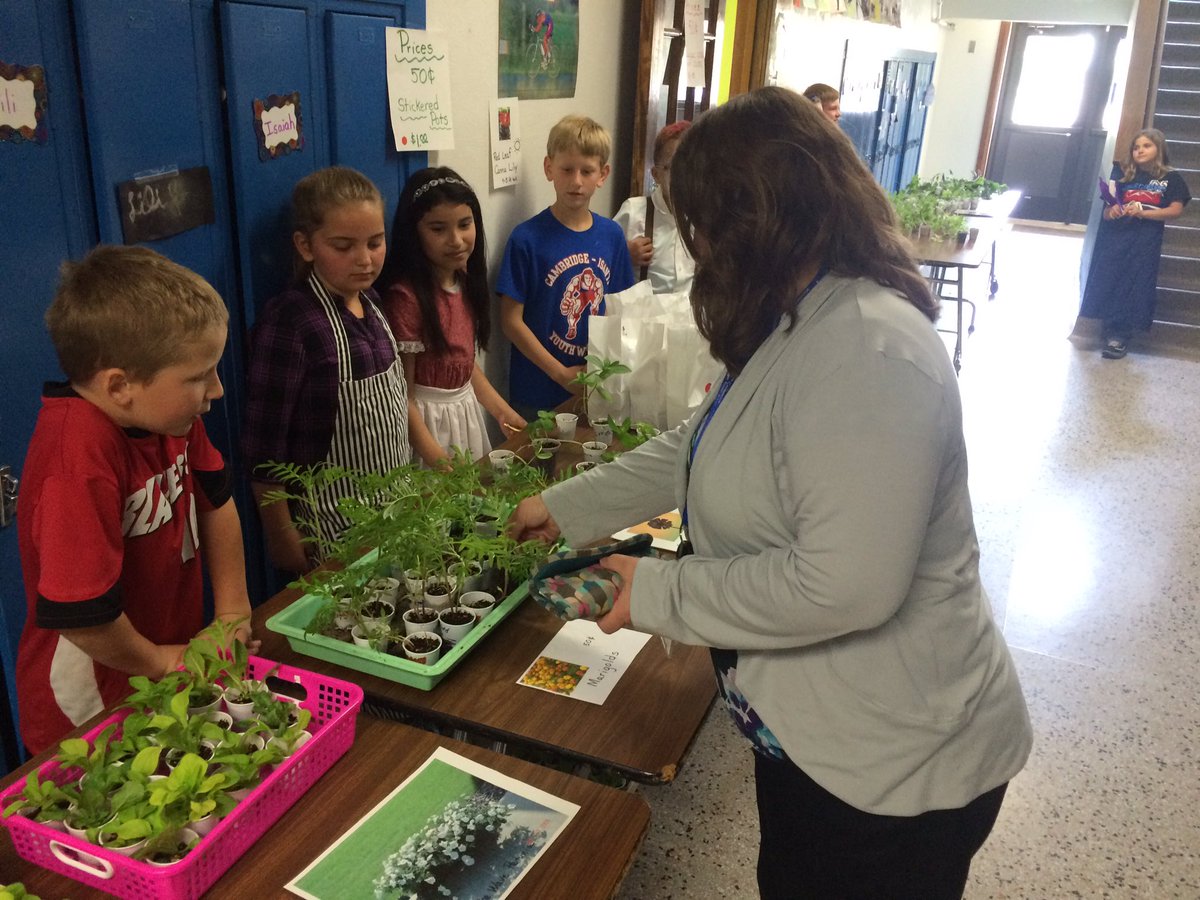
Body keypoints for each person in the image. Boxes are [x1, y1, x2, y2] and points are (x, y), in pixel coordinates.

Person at [510, 86, 1031, 899]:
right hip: (820, 735)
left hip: (896, 763)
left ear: (759, 218)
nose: (700, 247)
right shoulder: (797, 312)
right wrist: (567, 506)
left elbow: (845, 584)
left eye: (704, 223)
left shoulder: (868, 351)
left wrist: (655, 590)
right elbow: (702, 442)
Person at [15, 245, 256, 754]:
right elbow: (83, 617)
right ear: (120, 385)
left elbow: (216, 503)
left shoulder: (172, 418)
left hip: (165, 667)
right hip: (89, 705)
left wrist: (232, 612)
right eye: (199, 376)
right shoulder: (75, 458)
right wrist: (161, 661)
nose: (216, 390)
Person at [243, 166, 411, 574]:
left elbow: (399, 402)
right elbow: (263, 452)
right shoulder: (291, 323)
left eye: (375, 242)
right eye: (343, 246)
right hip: (332, 531)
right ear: (305, 245)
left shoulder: (373, 302)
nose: (365, 259)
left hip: (397, 512)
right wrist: (282, 536)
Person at [379, 167, 525, 467]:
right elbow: (403, 397)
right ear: (414, 232)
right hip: (426, 427)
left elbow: (463, 365)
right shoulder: (407, 298)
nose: (456, 240)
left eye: (464, 224)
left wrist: (502, 412)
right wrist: (439, 460)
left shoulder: (465, 280)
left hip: (464, 415)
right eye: (438, 229)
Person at [497, 114, 636, 423]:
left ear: (602, 174)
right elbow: (510, 321)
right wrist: (561, 374)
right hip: (537, 392)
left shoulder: (612, 235)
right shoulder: (526, 239)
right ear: (549, 168)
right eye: (567, 169)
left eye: (587, 171)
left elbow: (622, 310)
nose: (576, 181)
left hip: (596, 386)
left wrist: (600, 371)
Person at [1080, 128, 1191, 359]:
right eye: (1136, 147)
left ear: (1159, 149)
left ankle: (1120, 335)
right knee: (1110, 279)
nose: (1140, 150)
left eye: (1146, 146)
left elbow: (1175, 210)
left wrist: (1144, 213)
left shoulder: (1171, 178)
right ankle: (1108, 328)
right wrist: (1114, 211)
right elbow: (1106, 212)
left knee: (1134, 285)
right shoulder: (1123, 176)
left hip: (1145, 241)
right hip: (1117, 238)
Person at [614, 120, 695, 294]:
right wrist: (624, 254)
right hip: (647, 310)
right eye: (673, 167)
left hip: (693, 310)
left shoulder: (706, 220)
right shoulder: (634, 212)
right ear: (656, 175)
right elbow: (601, 262)